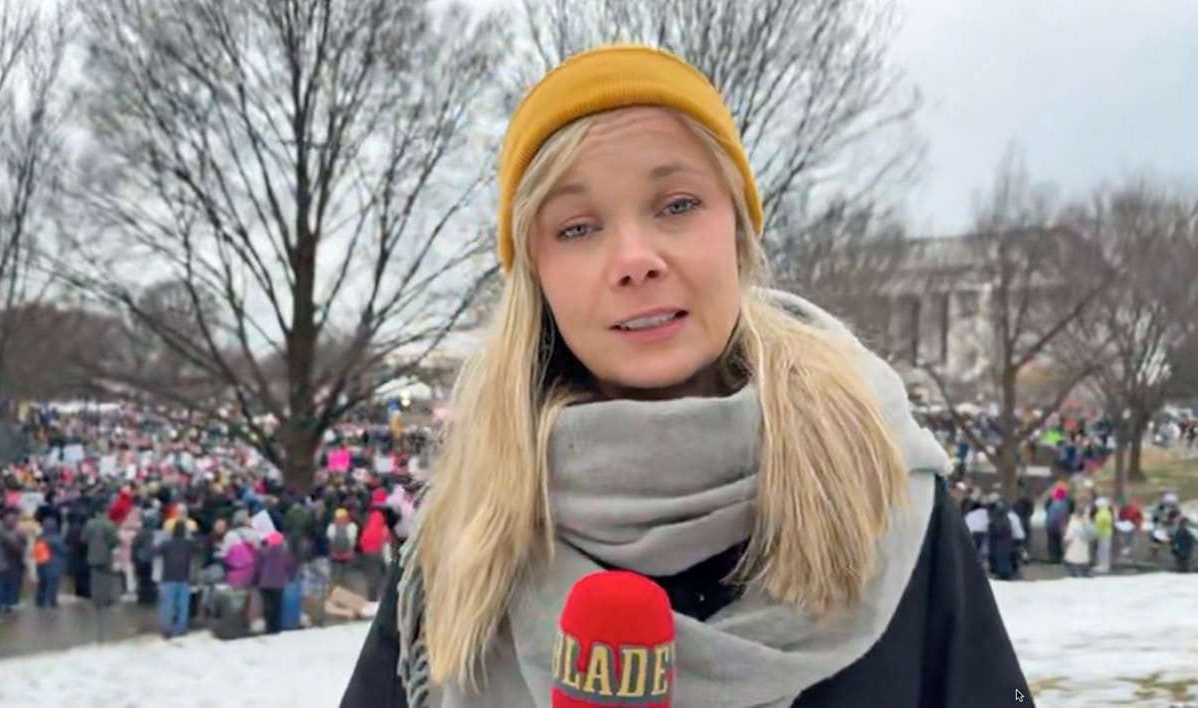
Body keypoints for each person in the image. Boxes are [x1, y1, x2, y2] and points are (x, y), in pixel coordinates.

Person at [342, 44, 1030, 708]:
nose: (634, 260)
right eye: (577, 228)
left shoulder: (884, 494)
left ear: (738, 231)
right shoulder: (459, 542)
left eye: (677, 205)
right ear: (535, 277)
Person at [156, 515, 198, 638]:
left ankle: (167, 628)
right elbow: (200, 549)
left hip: (168, 576)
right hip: (184, 576)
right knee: (182, 605)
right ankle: (181, 628)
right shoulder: (188, 544)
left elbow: (154, 552)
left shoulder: (166, 544)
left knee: (167, 604)